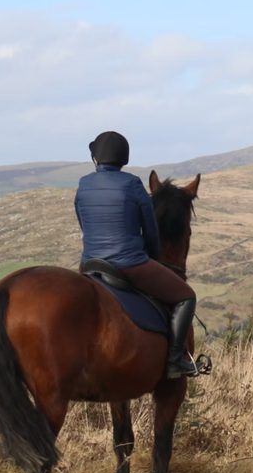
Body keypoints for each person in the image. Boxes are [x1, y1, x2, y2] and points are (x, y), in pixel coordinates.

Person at [74, 130, 203, 378]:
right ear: (123, 158)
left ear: (97, 158)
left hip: (90, 264)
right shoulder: (132, 184)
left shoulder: (83, 184)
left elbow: (83, 222)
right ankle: (176, 360)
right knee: (187, 296)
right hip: (129, 264)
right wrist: (152, 258)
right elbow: (151, 230)